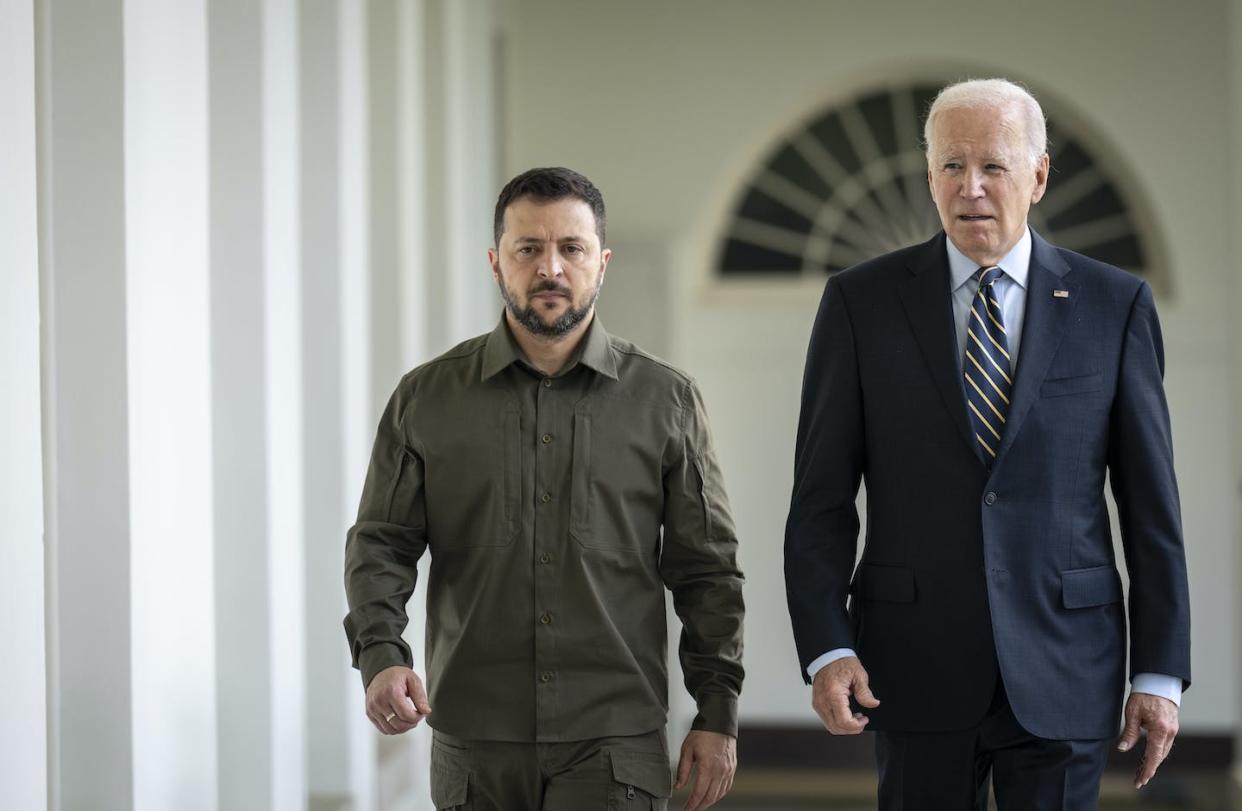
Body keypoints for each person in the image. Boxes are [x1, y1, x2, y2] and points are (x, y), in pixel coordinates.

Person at [784, 78, 1190, 810]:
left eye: (993, 167)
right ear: (929, 175)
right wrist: (827, 643)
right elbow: (820, 497)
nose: (970, 188)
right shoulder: (860, 302)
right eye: (950, 166)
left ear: (1037, 176)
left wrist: (1158, 673)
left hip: (1068, 661)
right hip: (911, 663)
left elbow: (1151, 505)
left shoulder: (1113, 303)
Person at [344, 167, 744, 811]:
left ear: (602, 263)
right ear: (496, 263)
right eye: (527, 249)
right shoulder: (426, 398)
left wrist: (717, 710)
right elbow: (381, 544)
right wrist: (382, 654)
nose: (550, 268)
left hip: (616, 737)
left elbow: (707, 569)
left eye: (571, 248)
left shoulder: (666, 399)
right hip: (475, 736)